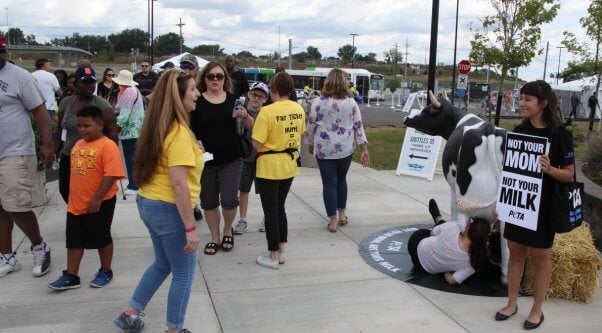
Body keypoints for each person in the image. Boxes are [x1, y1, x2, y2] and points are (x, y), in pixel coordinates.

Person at [114, 70, 202, 333]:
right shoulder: (178, 133)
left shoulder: (161, 127)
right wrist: (190, 227)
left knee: (163, 263)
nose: (197, 93)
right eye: (193, 89)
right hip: (168, 208)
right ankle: (174, 329)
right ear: (179, 95)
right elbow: (178, 184)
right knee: (184, 273)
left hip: (149, 202)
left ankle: (130, 314)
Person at [496, 80, 574, 330]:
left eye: (528, 99)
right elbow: (509, 173)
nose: (521, 103)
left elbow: (569, 175)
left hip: (544, 208)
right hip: (519, 205)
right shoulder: (518, 131)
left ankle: (537, 309)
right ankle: (511, 303)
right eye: (521, 98)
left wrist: (549, 168)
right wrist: (502, 203)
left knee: (540, 258)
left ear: (543, 103)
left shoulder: (560, 136)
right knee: (515, 253)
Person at [48, 106, 125, 290]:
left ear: (100, 125)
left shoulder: (108, 146)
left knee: (101, 237)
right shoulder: (78, 145)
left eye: (87, 125)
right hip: (76, 203)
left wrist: (97, 198)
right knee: (73, 240)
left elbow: (111, 174)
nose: (82, 130)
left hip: (100, 202)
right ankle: (72, 275)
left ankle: (105, 270)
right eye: (80, 126)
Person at [0, 33, 54, 278]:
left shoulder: (19, 77)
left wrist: (47, 144)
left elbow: (40, 113)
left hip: (16, 151)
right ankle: (7, 256)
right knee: (1, 207)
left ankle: (39, 245)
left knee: (16, 205)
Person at [190, 62, 253, 255]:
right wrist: (195, 143)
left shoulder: (235, 100)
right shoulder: (197, 102)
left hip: (232, 159)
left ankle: (228, 229)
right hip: (206, 162)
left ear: (225, 79)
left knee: (228, 200)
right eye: (211, 76)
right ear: (204, 79)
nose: (215, 80)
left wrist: (246, 117)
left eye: (219, 76)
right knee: (208, 201)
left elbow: (251, 126)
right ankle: (215, 237)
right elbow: (188, 128)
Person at [251, 71, 306, 269]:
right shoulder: (298, 108)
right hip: (289, 163)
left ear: (273, 89)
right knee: (280, 207)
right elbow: (300, 132)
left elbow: (257, 143)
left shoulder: (267, 111)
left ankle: (272, 255)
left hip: (269, 165)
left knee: (270, 211)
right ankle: (281, 249)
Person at [305, 68, 370, 233]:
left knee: (328, 183)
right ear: (344, 83)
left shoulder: (318, 103)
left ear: (328, 82)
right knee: (341, 180)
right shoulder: (351, 103)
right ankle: (342, 214)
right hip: (345, 148)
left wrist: (309, 142)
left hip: (324, 149)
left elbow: (311, 125)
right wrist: (363, 148)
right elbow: (358, 126)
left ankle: (332, 221)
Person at [55, 66, 117, 203]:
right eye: (85, 82)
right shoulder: (66, 102)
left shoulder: (103, 106)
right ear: (76, 83)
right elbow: (60, 128)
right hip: (68, 156)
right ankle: (77, 213)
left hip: (92, 160)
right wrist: (55, 151)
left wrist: (111, 163)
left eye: (92, 82)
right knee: (65, 190)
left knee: (90, 192)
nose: (89, 86)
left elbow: (112, 134)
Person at [407, 199, 491, 285]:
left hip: (415, 243)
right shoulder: (473, 263)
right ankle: (439, 221)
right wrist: (447, 268)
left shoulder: (453, 227)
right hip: (422, 267)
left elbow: (432, 233)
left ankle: (439, 219)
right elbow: (452, 280)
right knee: (442, 234)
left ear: (469, 227)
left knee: (435, 230)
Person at [233, 82, 269, 235]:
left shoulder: (267, 114)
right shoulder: (240, 111)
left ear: (265, 99)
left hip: (262, 158)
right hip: (245, 158)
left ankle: (267, 217)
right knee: (244, 190)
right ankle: (242, 219)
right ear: (249, 94)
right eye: (254, 94)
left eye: (261, 96)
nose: (257, 98)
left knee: (266, 191)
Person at [113, 70, 145, 195]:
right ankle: (136, 182)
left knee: (130, 158)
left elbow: (123, 114)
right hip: (136, 130)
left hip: (130, 131)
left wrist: (116, 126)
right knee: (134, 158)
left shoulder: (128, 92)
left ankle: (133, 185)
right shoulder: (134, 90)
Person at [32, 58, 63, 123]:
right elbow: (60, 93)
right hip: (49, 109)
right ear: (44, 65)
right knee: (49, 129)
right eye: (49, 64)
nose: (50, 66)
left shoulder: (30, 75)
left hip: (33, 108)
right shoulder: (51, 76)